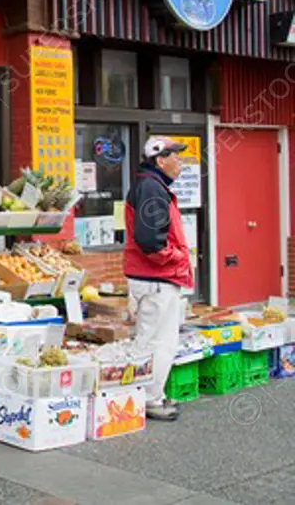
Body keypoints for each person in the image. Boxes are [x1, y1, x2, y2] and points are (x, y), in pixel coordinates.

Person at [124, 136, 193, 422]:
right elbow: (150, 240)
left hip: (153, 277)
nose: (180, 163)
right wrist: (176, 258)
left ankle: (150, 394)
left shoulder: (152, 186)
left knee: (151, 339)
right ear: (159, 160)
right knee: (157, 342)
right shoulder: (152, 188)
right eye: (175, 157)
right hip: (157, 278)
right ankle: (148, 399)